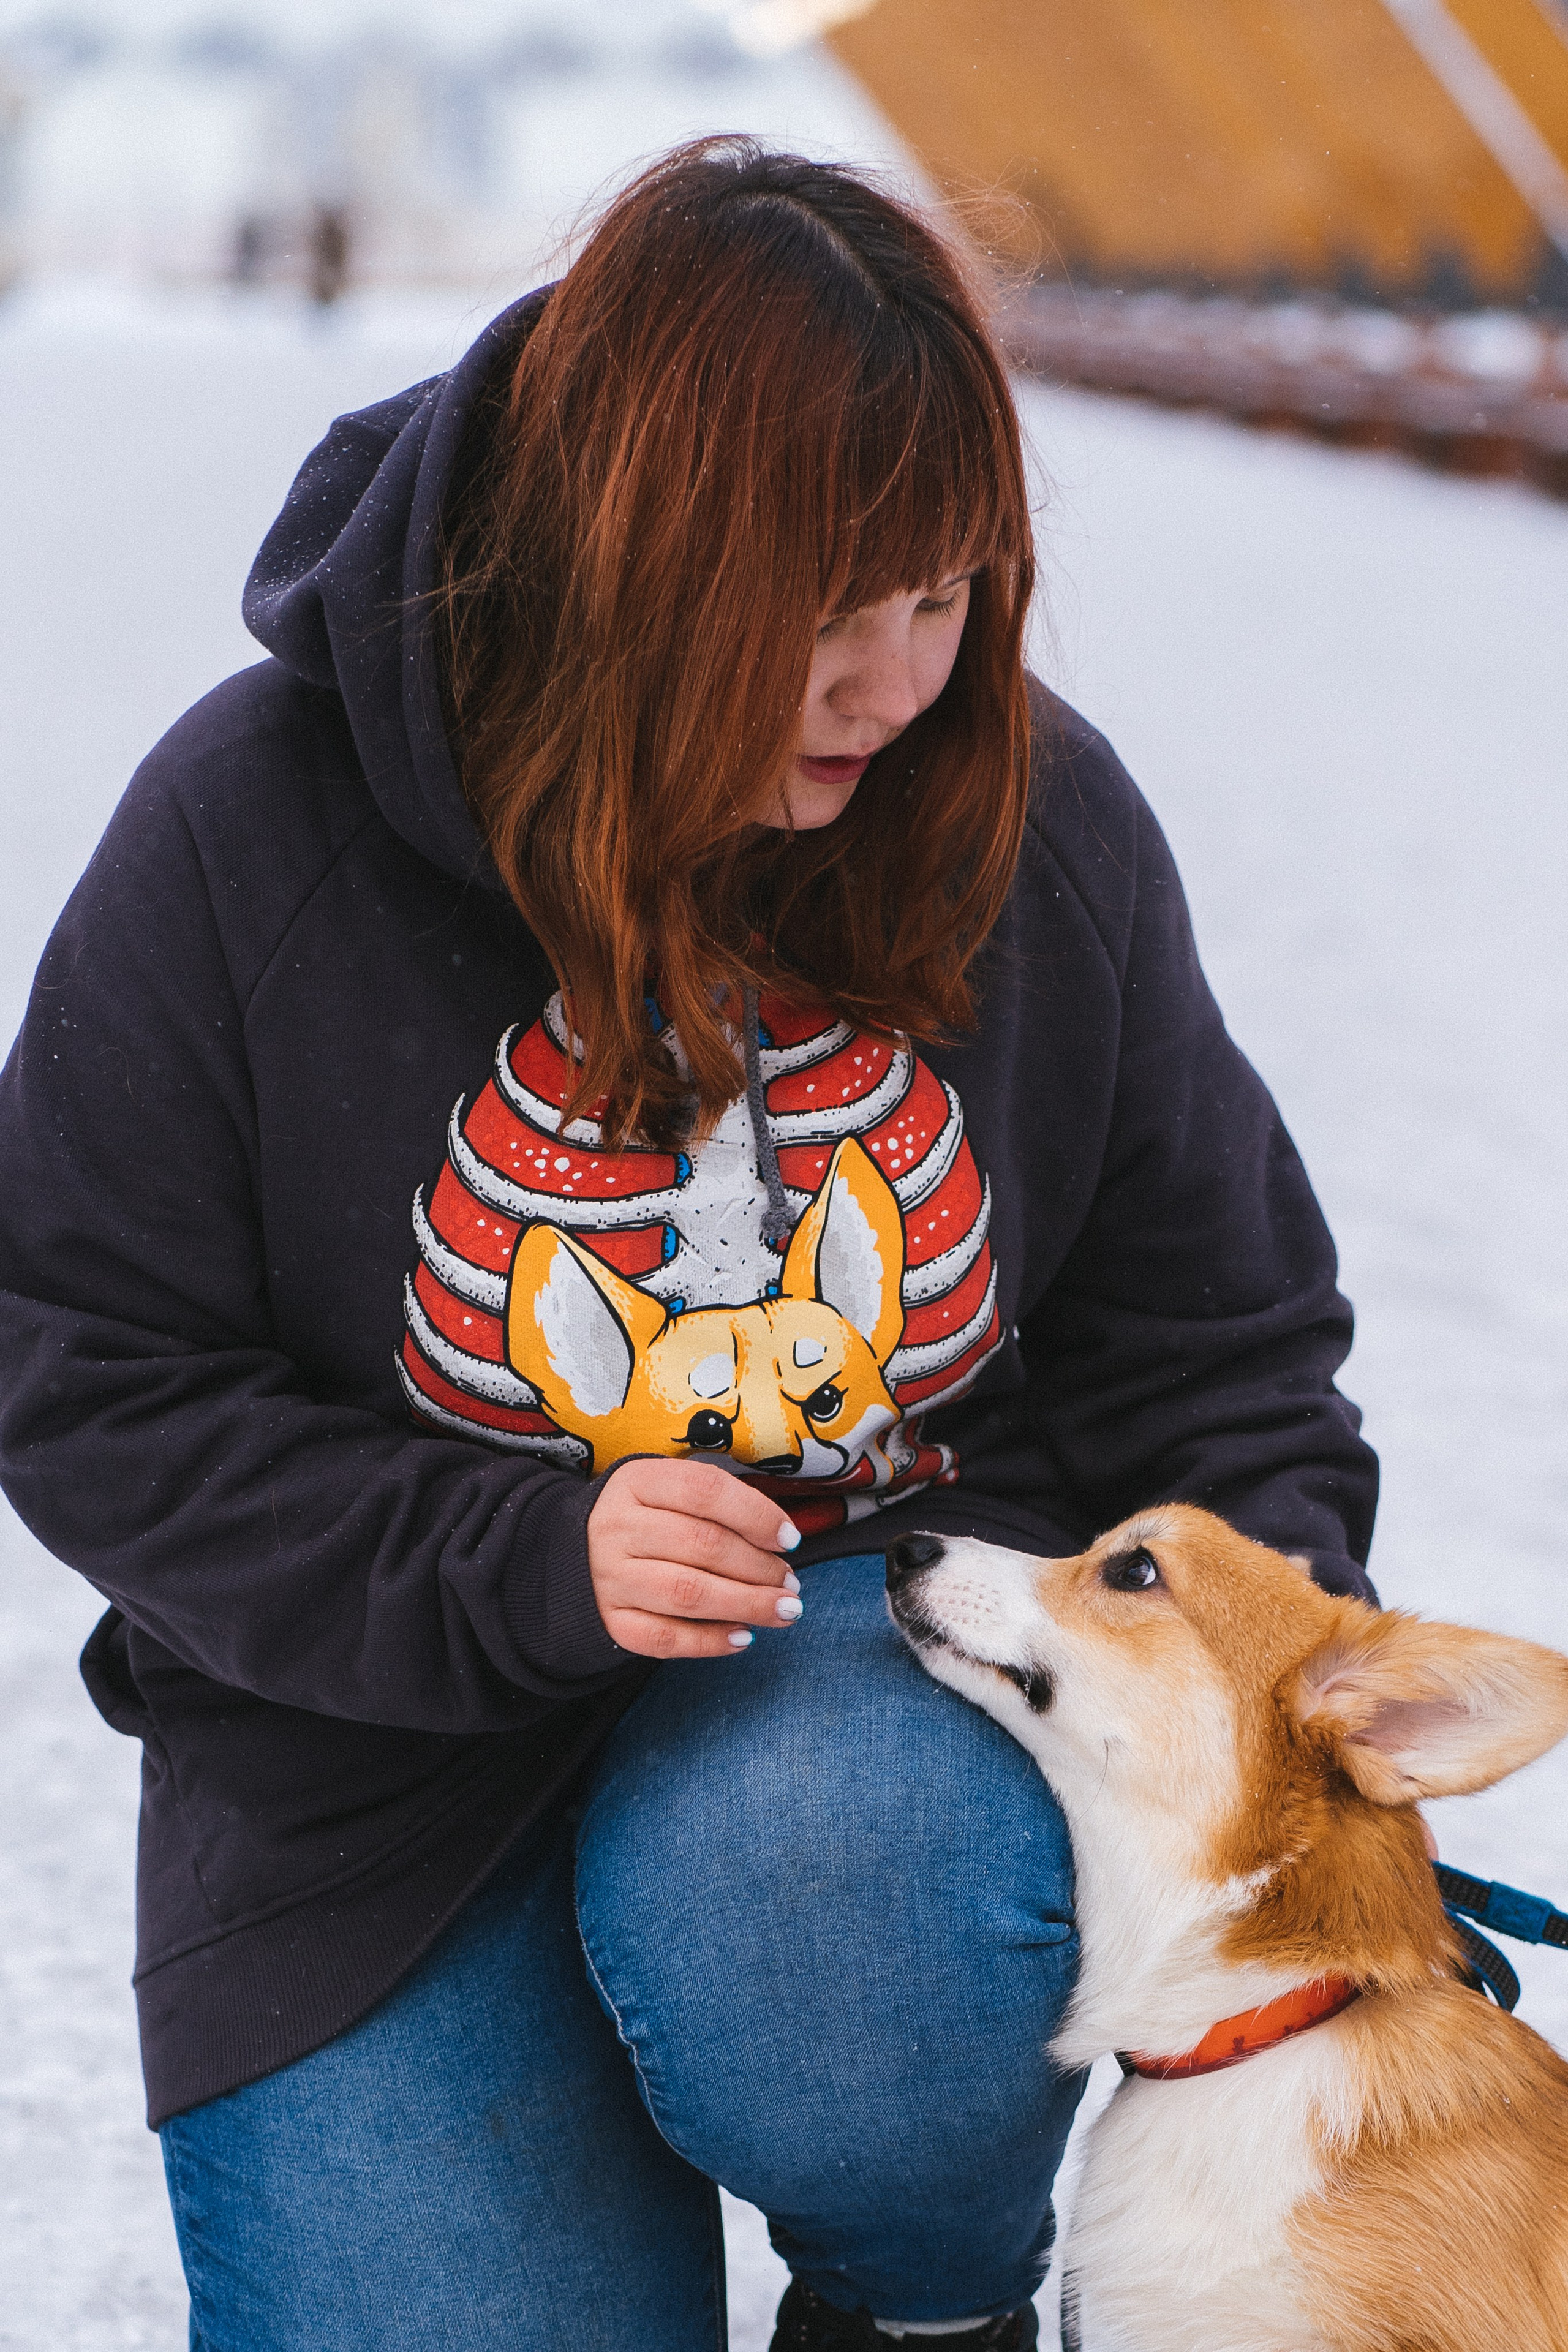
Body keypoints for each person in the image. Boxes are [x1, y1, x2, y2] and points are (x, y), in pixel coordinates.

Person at [0, 140, 1377, 2351]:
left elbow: (1219, 1345)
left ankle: (923, 2308)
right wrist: (513, 1561)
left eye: (940, 596)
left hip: (875, 1708)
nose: (892, 688)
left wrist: (1286, 1732)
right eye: (821, 619)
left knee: (827, 1885)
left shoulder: (1031, 820)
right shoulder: (247, 832)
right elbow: (84, 1367)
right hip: (370, 1767)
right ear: (627, 567)